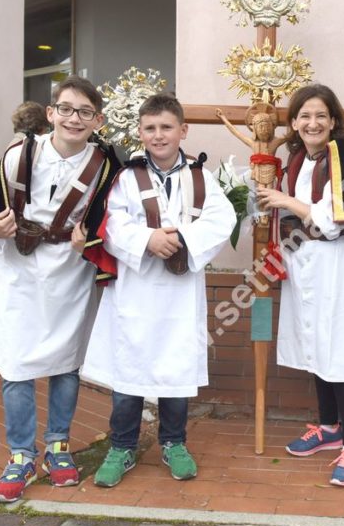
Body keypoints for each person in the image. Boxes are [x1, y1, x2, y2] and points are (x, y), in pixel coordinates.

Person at [0, 76, 118, 503]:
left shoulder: (107, 164)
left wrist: (90, 242)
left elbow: (114, 218)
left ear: (98, 120)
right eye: (67, 109)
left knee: (65, 362)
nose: (75, 118)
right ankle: (20, 453)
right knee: (16, 363)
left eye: (85, 112)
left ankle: (58, 446)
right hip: (17, 270)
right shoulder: (18, 156)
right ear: (51, 113)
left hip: (69, 273)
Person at [82, 93, 235, 486]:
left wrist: (182, 238)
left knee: (175, 368)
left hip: (179, 295)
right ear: (139, 132)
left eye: (167, 127)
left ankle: (173, 442)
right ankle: (122, 446)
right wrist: (147, 240)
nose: (159, 135)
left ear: (183, 130)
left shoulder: (202, 178)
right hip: (135, 290)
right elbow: (110, 222)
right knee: (129, 370)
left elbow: (222, 219)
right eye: (150, 128)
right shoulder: (127, 177)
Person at [256, 83, 344, 487]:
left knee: (343, 346)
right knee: (318, 344)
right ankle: (329, 426)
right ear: (295, 122)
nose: (312, 122)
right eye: (304, 115)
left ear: (334, 120)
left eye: (321, 115)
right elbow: (297, 216)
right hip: (309, 264)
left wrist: (290, 205)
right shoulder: (297, 160)